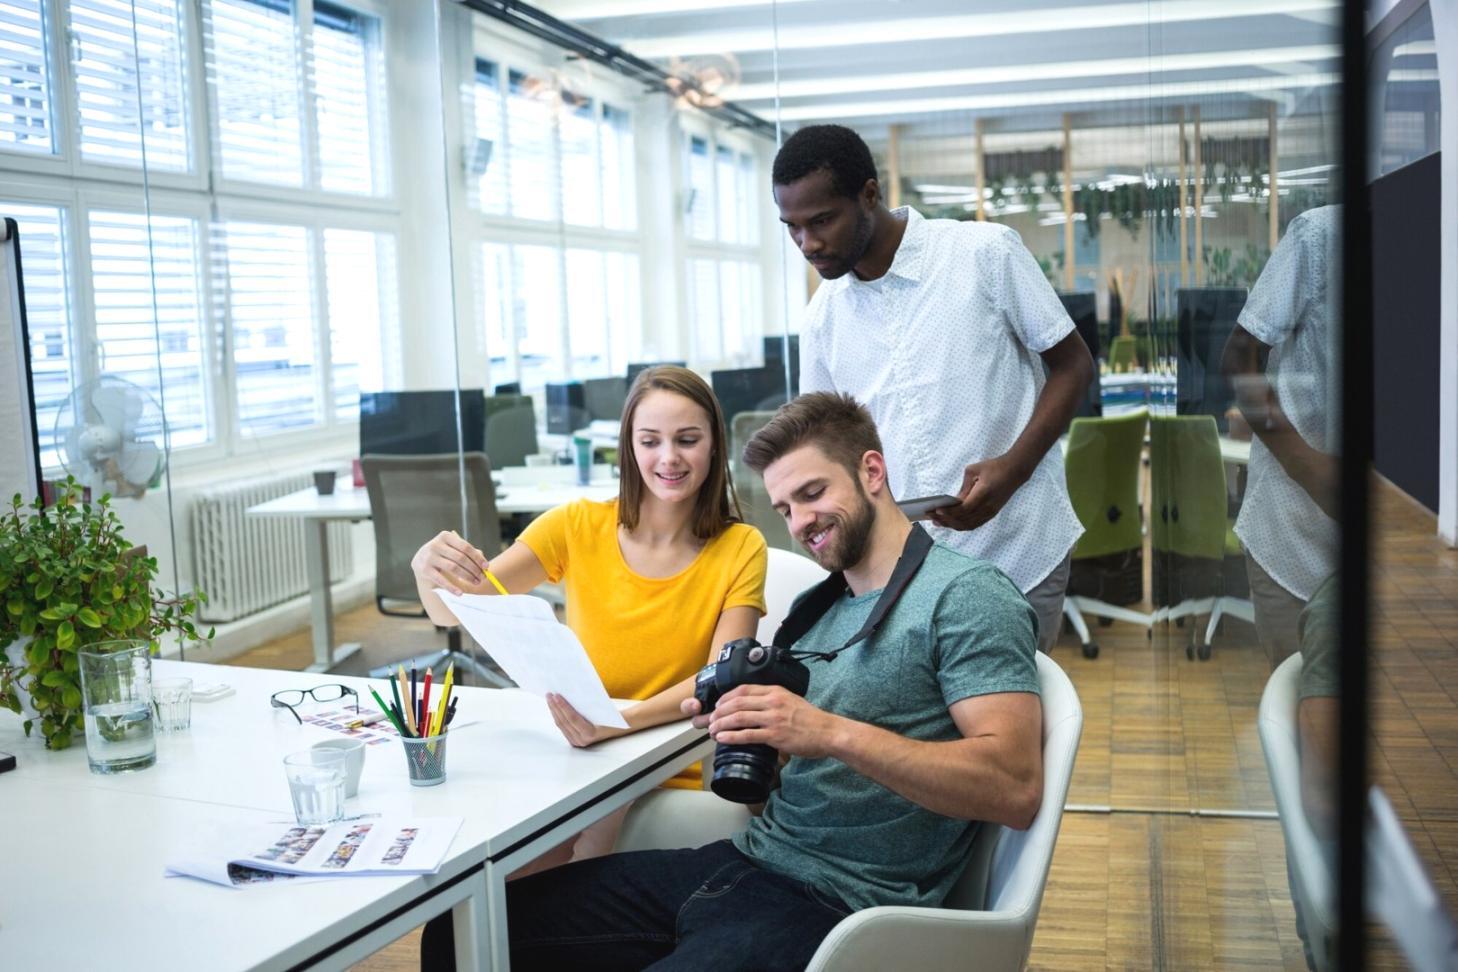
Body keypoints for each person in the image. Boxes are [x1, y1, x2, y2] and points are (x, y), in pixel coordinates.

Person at [421, 392, 1043, 971]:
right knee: (464, 932)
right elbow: (766, 797)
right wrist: (748, 740)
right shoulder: (813, 611)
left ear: (872, 472)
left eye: (813, 493)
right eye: (785, 508)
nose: (801, 522)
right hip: (744, 863)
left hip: (843, 906)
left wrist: (827, 733)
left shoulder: (965, 596)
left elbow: (1014, 788)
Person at [411, 365, 768, 863]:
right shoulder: (575, 525)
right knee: (487, 849)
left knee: (554, 857)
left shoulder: (741, 547)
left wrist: (618, 724)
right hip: (573, 748)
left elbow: (719, 677)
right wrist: (425, 570)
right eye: (650, 441)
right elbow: (455, 613)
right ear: (629, 447)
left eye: (687, 440)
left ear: (713, 446)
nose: (669, 457)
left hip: (660, 752)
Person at [772, 124, 1094, 654]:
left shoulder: (985, 254)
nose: (808, 243)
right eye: (793, 228)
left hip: (1016, 544)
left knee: (1009, 707)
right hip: (904, 573)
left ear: (869, 195)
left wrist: (1012, 470)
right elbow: (824, 450)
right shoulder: (822, 320)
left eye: (822, 220)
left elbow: (1073, 366)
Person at [1222, 205, 1339, 669]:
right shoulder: (1319, 235)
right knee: (1301, 699)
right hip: (1294, 530)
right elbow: (1239, 357)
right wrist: (1306, 464)